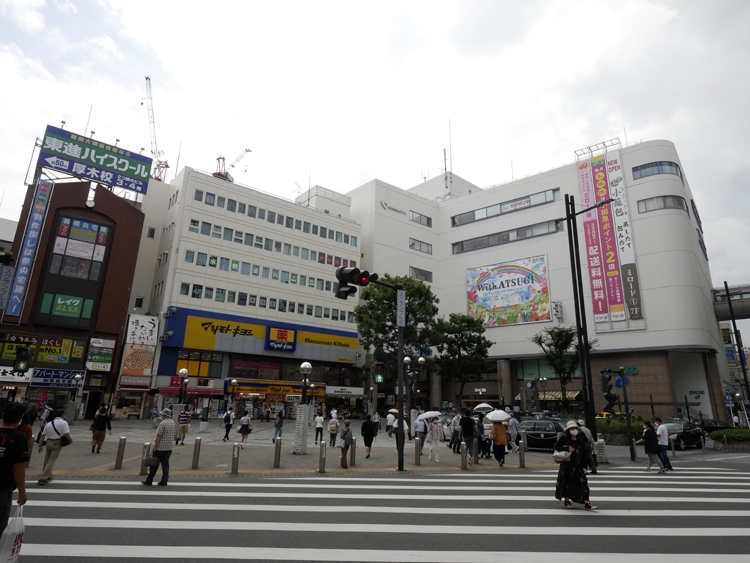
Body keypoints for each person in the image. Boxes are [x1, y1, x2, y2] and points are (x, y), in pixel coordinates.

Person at [554, 420, 598, 510]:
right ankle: (567, 500)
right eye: (571, 428)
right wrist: (567, 448)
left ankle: (587, 502)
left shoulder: (580, 439)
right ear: (568, 430)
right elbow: (556, 446)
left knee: (583, 482)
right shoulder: (564, 438)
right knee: (566, 483)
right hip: (566, 465)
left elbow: (584, 454)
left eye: (575, 428)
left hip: (578, 466)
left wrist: (588, 464)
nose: (573, 430)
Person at [0, 403, 29, 533]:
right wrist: (22, 492)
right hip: (3, 486)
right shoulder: (19, 438)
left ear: (3, 416)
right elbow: (18, 467)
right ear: (20, 418)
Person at [38, 410, 73, 485]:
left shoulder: (49, 423)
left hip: (48, 442)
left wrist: (40, 445)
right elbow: (66, 433)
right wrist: (70, 440)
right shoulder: (64, 423)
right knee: (52, 460)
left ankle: (48, 475)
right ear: (62, 415)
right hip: (57, 443)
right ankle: (43, 477)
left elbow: (43, 435)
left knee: (47, 459)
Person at [142, 409, 176, 486]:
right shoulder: (173, 422)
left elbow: (159, 435)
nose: (161, 415)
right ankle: (164, 480)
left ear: (164, 415)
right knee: (165, 464)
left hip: (161, 447)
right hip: (169, 447)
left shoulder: (162, 423)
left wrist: (155, 445)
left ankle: (149, 480)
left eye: (162, 414)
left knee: (154, 464)